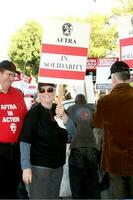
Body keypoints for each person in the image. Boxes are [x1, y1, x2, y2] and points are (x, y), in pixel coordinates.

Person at [19, 82, 76, 199]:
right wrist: (26, 167)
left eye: (49, 89)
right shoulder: (33, 113)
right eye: (42, 90)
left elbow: (74, 133)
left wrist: (64, 117)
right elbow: (25, 141)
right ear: (38, 93)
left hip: (58, 167)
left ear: (54, 91)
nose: (46, 93)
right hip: (39, 168)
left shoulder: (59, 109)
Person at [92, 61, 133, 199]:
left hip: (115, 162)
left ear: (114, 78)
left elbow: (96, 123)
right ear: (128, 77)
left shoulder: (105, 101)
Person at [0, 60, 27, 199]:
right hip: (0, 148)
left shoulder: (17, 94)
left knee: (13, 185)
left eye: (13, 76)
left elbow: (26, 118)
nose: (11, 79)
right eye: (8, 74)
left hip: (16, 149)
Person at [67, 93, 101, 199]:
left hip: (76, 146)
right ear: (85, 101)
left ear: (75, 101)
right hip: (91, 146)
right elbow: (96, 125)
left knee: (76, 178)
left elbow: (67, 125)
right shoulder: (92, 108)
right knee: (92, 177)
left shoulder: (70, 109)